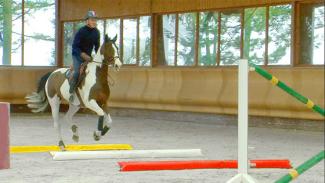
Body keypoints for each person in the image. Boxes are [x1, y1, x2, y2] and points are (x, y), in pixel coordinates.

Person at [69, 10, 100, 102]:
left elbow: (97, 47)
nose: (94, 22)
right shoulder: (81, 31)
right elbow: (74, 46)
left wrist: (98, 57)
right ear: (87, 21)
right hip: (77, 55)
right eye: (92, 20)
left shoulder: (97, 32)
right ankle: (71, 93)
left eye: (95, 20)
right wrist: (82, 54)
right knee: (77, 72)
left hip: (88, 57)